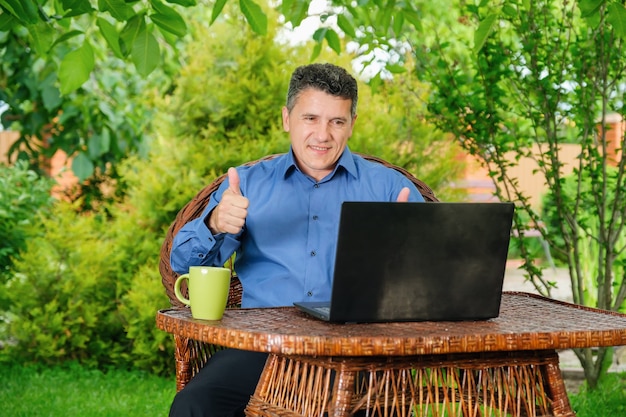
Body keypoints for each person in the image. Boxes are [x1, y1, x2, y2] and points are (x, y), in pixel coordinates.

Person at [168, 62, 425, 417]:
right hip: (260, 346)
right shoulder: (248, 184)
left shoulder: (389, 189)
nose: (323, 135)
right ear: (287, 118)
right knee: (194, 405)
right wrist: (215, 223)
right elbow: (181, 264)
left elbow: (434, 274)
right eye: (311, 119)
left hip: (359, 349)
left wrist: (408, 247)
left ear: (351, 124)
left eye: (337, 121)